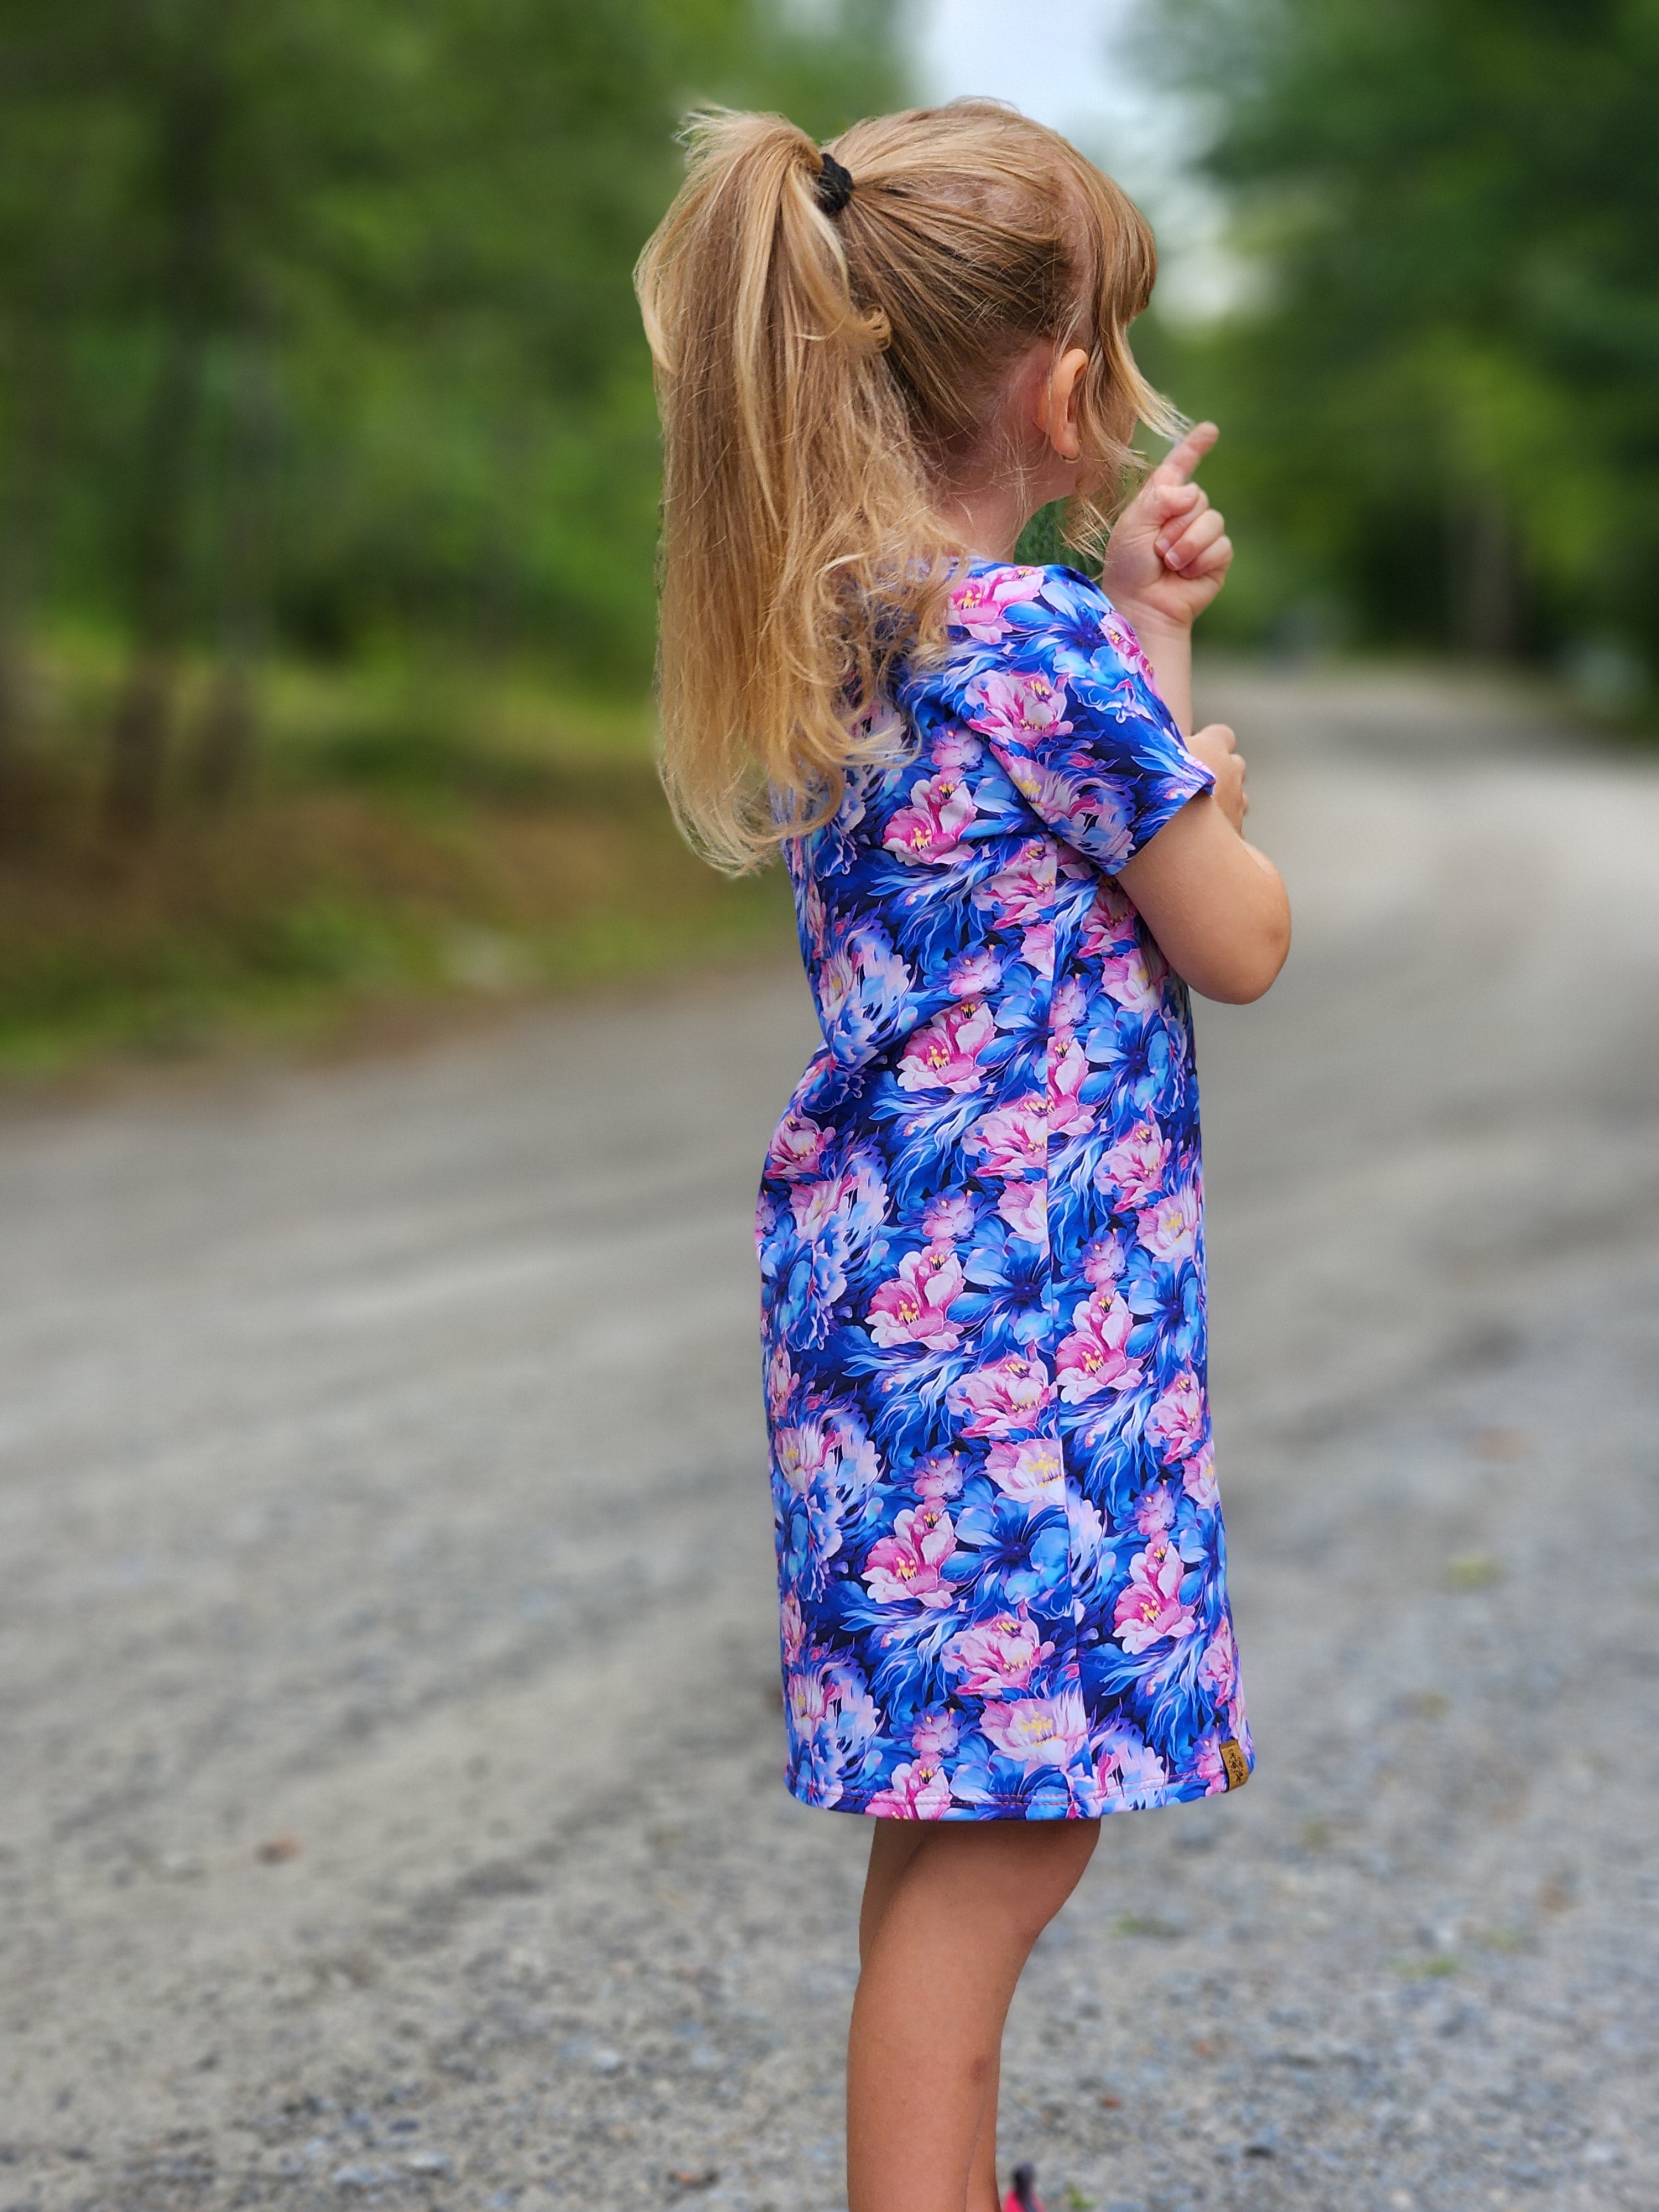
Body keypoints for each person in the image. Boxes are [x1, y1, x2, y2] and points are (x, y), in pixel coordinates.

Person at [635, 99, 1290, 2212]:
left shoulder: (863, 622)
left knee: (958, 1811)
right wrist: (1200, 769)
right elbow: (1236, 940)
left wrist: (1148, 650)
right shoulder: (1034, 648)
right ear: (1067, 380)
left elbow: (1056, 861)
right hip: (1024, 1315)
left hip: (887, 1301)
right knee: (1017, 1833)